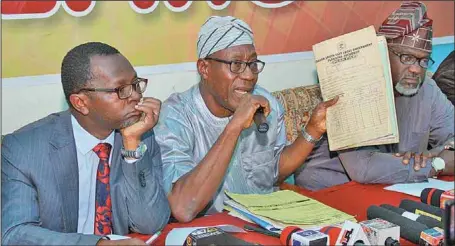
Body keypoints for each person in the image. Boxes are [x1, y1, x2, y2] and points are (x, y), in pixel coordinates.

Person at [154, 16, 338, 222]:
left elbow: (274, 173)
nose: (249, 75)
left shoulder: (266, 103)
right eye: (236, 64)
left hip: (265, 222)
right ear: (204, 68)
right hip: (211, 231)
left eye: (252, 64)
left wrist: (312, 130)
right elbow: (182, 207)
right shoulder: (175, 117)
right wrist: (234, 127)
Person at [1, 42, 170, 245]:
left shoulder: (140, 133)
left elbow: (150, 223)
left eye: (135, 84)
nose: (135, 96)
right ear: (81, 102)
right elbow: (15, 234)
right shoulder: (24, 149)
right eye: (121, 89)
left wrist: (132, 143)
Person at [296, 1, 454, 190]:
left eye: (423, 61)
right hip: (330, 191)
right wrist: (437, 164)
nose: (415, 69)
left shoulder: (427, 88)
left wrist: (432, 155)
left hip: (394, 185)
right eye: (407, 58)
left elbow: (452, 136)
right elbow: (364, 168)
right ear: (382, 53)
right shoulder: (352, 87)